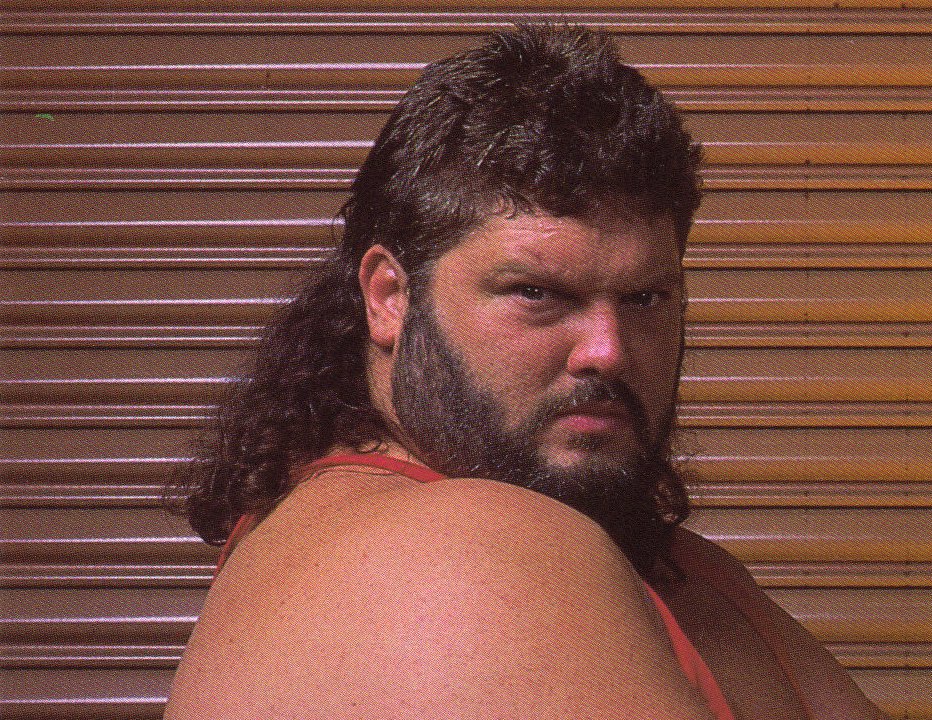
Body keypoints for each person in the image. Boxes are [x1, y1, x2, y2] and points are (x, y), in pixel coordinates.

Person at [164, 24, 887, 720]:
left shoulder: (683, 571)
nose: (607, 350)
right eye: (537, 293)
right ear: (389, 297)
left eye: (645, 299)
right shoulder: (464, 548)